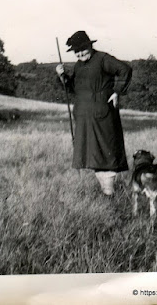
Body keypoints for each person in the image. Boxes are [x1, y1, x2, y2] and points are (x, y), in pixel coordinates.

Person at [56, 30, 132, 195]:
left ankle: (109, 193)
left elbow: (125, 69)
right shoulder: (78, 65)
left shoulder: (103, 59)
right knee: (94, 156)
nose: (80, 53)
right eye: (76, 51)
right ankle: (106, 192)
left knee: (106, 153)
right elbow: (74, 89)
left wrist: (117, 91)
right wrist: (62, 76)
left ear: (90, 46)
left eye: (83, 49)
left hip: (102, 115)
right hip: (84, 117)